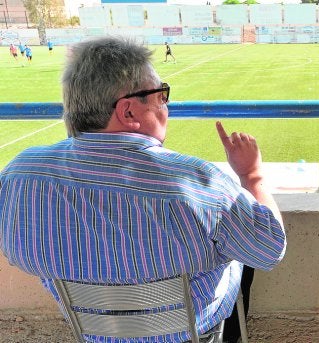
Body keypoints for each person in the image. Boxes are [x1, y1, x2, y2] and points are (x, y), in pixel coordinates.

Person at [0, 36, 287, 343]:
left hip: (95, 331)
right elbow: (269, 250)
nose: (166, 104)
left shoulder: (20, 175)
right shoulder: (200, 183)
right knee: (240, 251)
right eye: (161, 94)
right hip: (191, 332)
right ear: (128, 112)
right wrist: (251, 175)